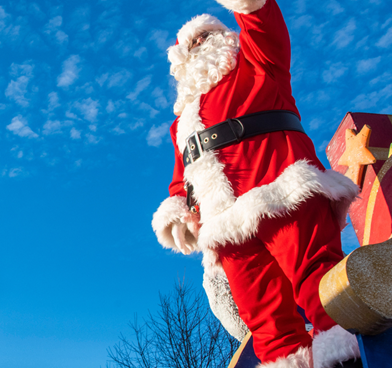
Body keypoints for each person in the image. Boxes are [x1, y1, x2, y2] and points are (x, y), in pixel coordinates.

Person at [151, 0, 361, 367]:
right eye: (192, 44)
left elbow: (263, 23)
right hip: (223, 224)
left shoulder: (257, 61)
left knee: (318, 279)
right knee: (263, 318)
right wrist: (178, 209)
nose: (199, 46)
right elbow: (182, 174)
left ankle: (348, 357)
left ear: (224, 37)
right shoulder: (181, 122)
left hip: (282, 190)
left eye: (205, 37)